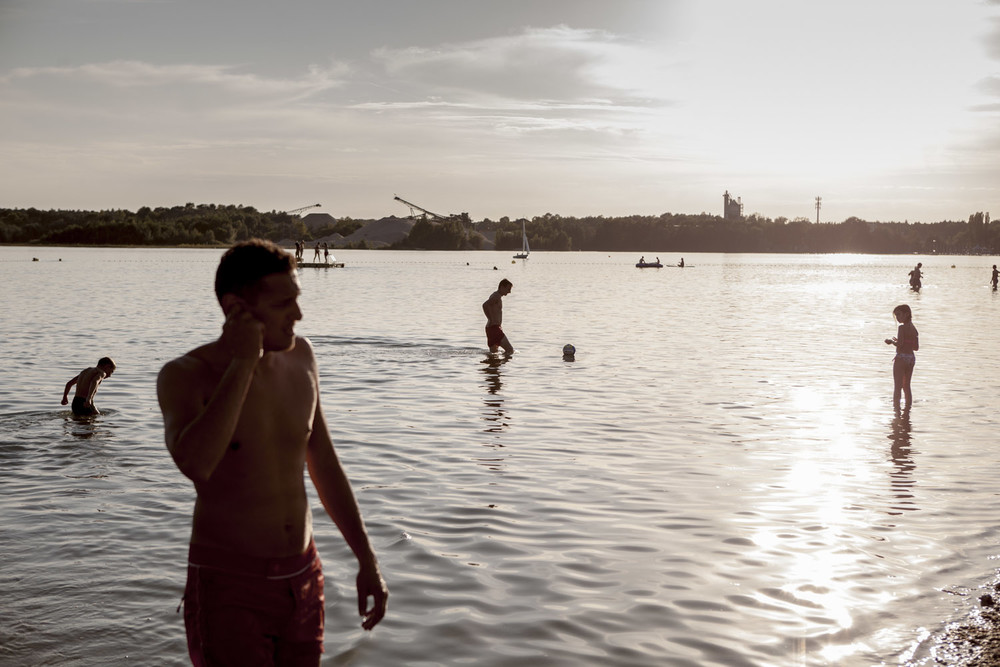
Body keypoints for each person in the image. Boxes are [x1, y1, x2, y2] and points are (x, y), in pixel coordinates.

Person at [157, 239, 387, 665]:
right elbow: (197, 463)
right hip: (230, 586)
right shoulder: (186, 375)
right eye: (284, 304)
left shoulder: (302, 357)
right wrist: (244, 362)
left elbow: (325, 464)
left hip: (303, 576)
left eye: (297, 300)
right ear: (234, 308)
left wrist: (366, 558)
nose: (298, 315)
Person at [884, 304, 919, 410]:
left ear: (907, 314)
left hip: (901, 359)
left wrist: (892, 342)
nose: (897, 318)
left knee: (897, 387)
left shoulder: (901, 328)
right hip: (911, 359)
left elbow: (900, 345)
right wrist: (901, 342)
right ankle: (908, 409)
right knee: (906, 386)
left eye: (899, 315)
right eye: (896, 316)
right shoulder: (914, 329)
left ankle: (897, 412)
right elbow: (916, 347)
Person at [482, 278, 514, 355]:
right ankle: (504, 366)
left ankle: (494, 366)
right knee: (510, 350)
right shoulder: (496, 296)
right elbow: (485, 305)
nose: (509, 291)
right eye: (508, 289)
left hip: (490, 329)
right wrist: (490, 318)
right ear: (502, 287)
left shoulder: (495, 296)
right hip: (494, 328)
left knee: (494, 354)